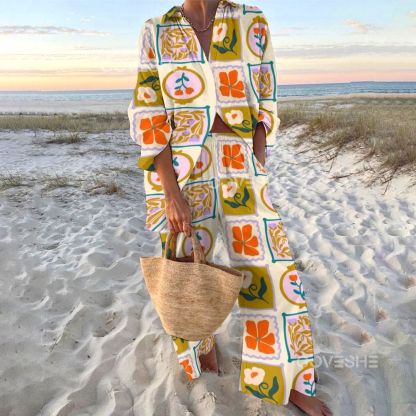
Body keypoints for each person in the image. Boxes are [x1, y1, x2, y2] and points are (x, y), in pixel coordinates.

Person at [128, 1, 332, 414]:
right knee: (186, 261)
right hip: (185, 165)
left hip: (240, 158)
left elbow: (266, 91)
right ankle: (199, 344)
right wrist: (170, 190)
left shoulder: (250, 20)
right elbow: (150, 113)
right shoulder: (157, 30)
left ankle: (285, 378)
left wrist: (258, 152)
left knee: (270, 266)